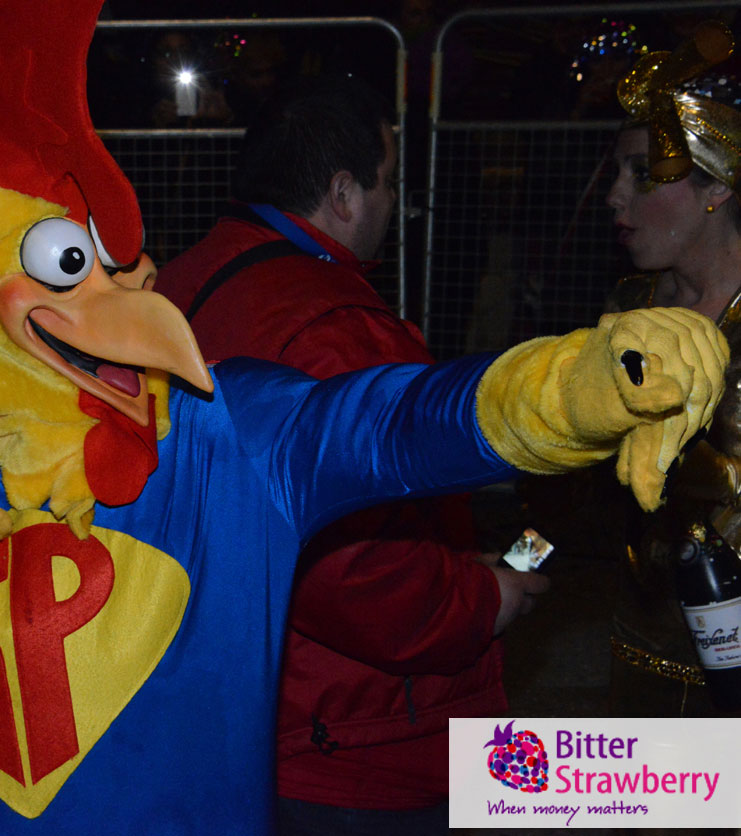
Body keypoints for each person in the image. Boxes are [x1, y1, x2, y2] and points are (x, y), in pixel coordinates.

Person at [0, 2, 727, 834]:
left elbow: (401, 419)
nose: (128, 304)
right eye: (70, 266)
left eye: (119, 265)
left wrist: (580, 382)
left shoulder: (225, 442)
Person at [154, 76, 547, 835]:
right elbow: (357, 568)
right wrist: (482, 599)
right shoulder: (337, 331)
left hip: (217, 700)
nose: (394, 204)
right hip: (346, 736)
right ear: (342, 193)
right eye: (388, 182)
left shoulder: (179, 285)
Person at [595, 21, 741, 716]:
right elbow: (573, 482)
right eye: (615, 173)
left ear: (718, 186)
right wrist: (514, 567)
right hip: (640, 649)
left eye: (643, 174)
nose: (614, 197)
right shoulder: (628, 308)